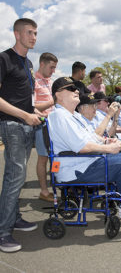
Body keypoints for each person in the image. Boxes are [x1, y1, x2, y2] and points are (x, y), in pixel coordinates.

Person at [48, 77, 121, 225]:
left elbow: (90, 138)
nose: (76, 91)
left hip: (83, 163)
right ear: (58, 94)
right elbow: (81, 147)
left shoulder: (71, 115)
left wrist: (105, 141)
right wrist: (108, 148)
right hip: (75, 168)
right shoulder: (59, 115)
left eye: (75, 89)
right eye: (70, 88)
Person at [0, 18, 41, 253]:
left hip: (26, 124)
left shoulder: (28, 62)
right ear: (17, 34)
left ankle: (14, 217)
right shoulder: (3, 58)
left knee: (18, 176)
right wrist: (24, 116)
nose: (34, 37)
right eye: (29, 32)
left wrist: (33, 112)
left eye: (36, 33)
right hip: (11, 125)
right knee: (15, 177)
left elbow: (23, 99)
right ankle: (3, 232)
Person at [34, 52, 58, 202]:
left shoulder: (50, 81)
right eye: (51, 67)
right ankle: (44, 191)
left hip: (54, 124)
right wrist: (52, 102)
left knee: (55, 157)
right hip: (41, 125)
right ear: (42, 64)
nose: (53, 71)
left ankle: (57, 186)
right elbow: (31, 105)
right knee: (43, 158)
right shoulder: (33, 81)